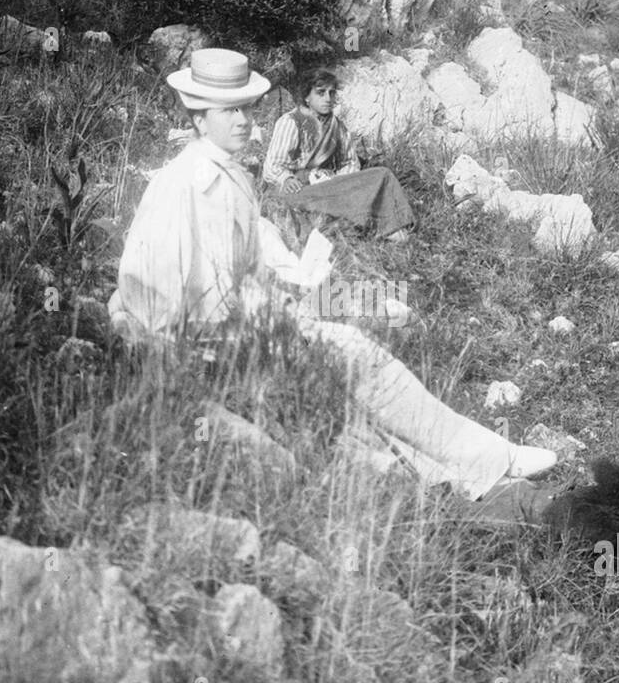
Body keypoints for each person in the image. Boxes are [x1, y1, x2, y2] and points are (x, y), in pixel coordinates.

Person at [108, 48, 557, 501]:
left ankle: (472, 469)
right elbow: (177, 295)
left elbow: (246, 262)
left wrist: (288, 300)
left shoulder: (225, 174)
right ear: (200, 119)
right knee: (362, 363)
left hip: (238, 334)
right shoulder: (188, 184)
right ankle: (484, 464)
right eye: (229, 111)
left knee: (359, 361)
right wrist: (266, 330)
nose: (243, 120)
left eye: (246, 108)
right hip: (210, 350)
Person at [262, 67, 415, 242]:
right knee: (315, 199)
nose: (328, 98)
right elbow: (272, 165)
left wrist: (336, 179)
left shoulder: (338, 127)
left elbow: (351, 163)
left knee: (382, 174)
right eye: (320, 93)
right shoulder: (291, 122)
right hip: (298, 190)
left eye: (331, 93)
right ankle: (379, 226)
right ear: (307, 97)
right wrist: (286, 179)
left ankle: (392, 223)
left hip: (328, 186)